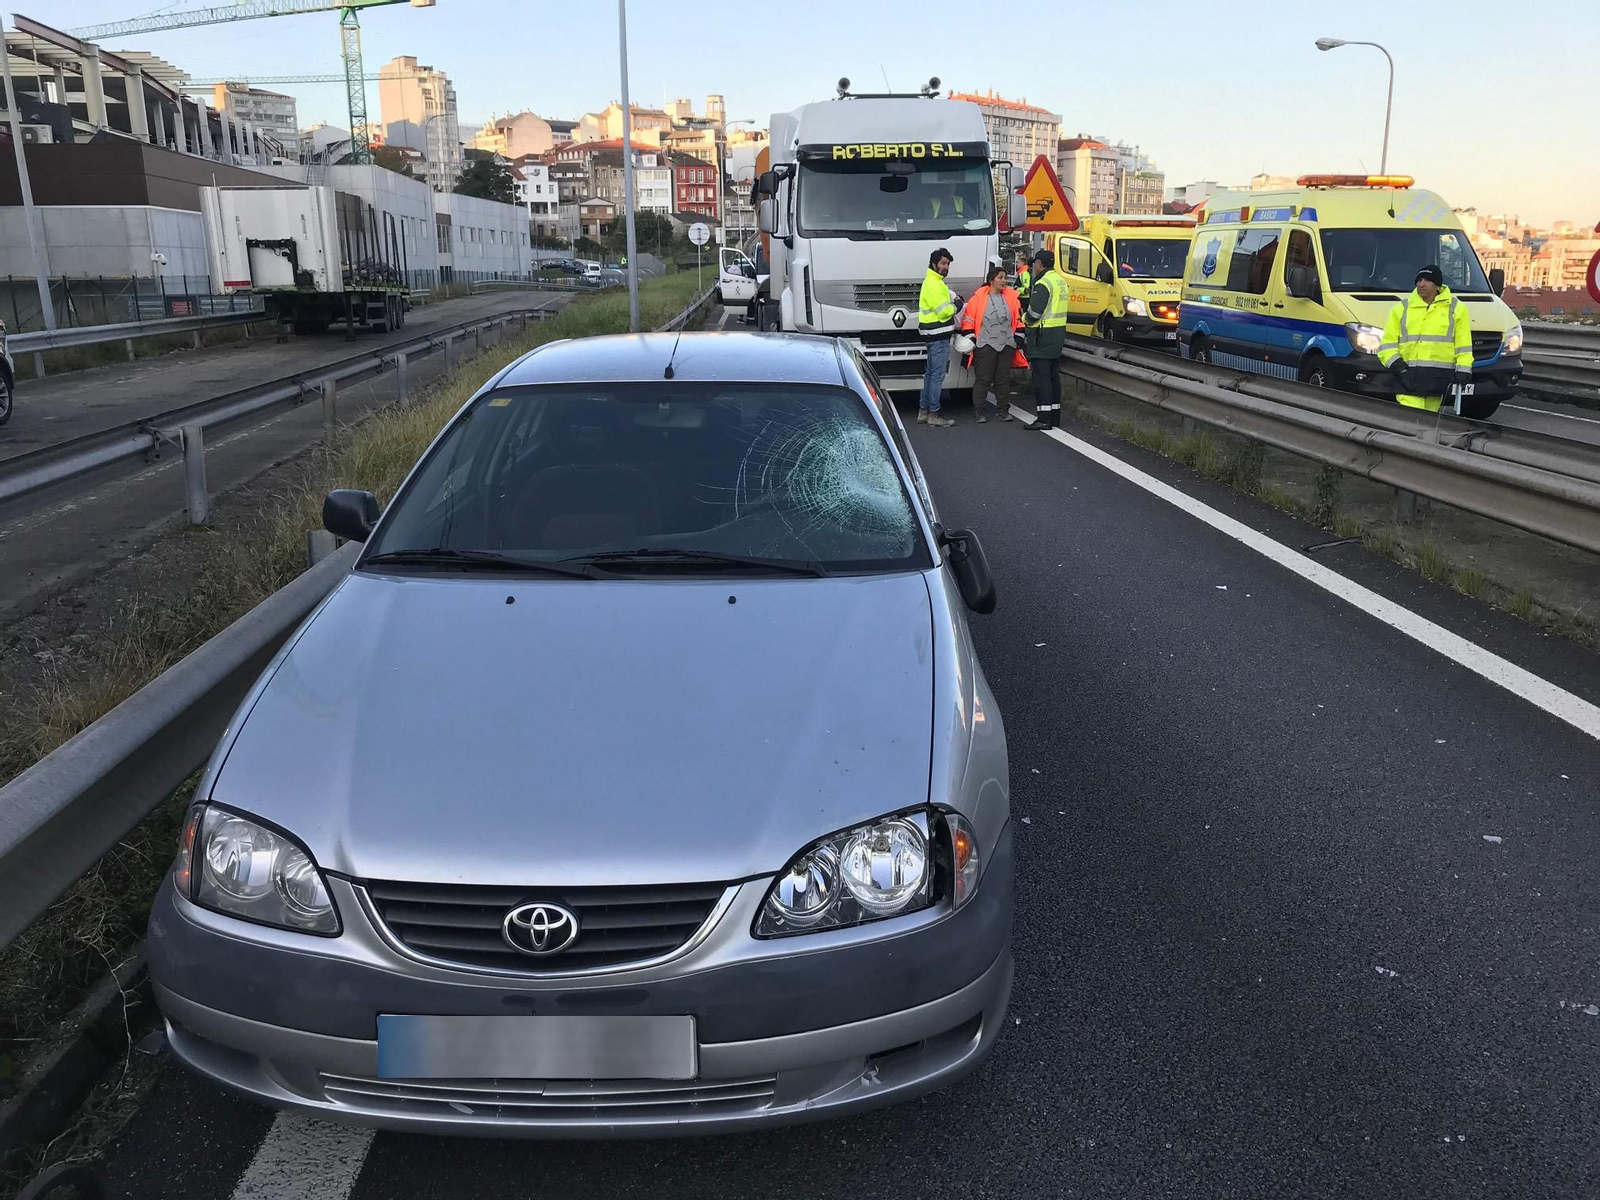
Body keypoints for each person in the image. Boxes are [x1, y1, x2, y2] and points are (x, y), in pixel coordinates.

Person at [1376, 264, 1473, 430]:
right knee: (1412, 422)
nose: (1421, 284)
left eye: (1427, 280)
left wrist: (1464, 371)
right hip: (1407, 378)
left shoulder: (1456, 309)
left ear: (1437, 285)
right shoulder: (1401, 309)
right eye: (1419, 280)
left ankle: (1420, 453)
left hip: (1437, 380)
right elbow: (1387, 345)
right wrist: (1400, 369)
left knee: (1428, 426)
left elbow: (1463, 346)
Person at [957, 263, 1026, 423]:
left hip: (1007, 344)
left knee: (1003, 379)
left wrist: (1018, 338)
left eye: (1005, 278)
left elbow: (1018, 320)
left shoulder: (1012, 298)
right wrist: (971, 339)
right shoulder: (978, 299)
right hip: (984, 344)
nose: (1004, 281)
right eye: (1000, 278)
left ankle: (1003, 410)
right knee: (983, 379)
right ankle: (979, 411)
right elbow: (968, 321)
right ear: (991, 280)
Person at [1023, 249, 1069, 430]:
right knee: (1052, 378)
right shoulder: (1060, 281)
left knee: (1042, 380)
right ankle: (1054, 417)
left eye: (1035, 263)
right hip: (1056, 335)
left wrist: (1023, 319)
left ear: (1039, 264)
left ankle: (1043, 418)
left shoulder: (1043, 283)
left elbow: (1034, 314)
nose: (1033, 266)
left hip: (1042, 336)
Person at [917, 246, 958, 427]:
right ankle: (934, 414)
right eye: (942, 263)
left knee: (930, 374)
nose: (945, 267)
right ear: (933, 264)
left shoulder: (933, 282)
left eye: (947, 264)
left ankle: (924, 411)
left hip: (932, 335)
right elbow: (944, 312)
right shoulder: (934, 284)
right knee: (936, 376)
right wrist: (958, 304)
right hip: (938, 335)